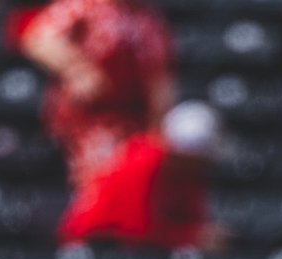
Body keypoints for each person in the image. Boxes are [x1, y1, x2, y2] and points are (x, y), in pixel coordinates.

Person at [20, 0, 175, 188]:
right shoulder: (86, 5)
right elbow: (40, 38)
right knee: (102, 184)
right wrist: (77, 69)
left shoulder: (150, 20)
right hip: (89, 119)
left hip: (134, 123)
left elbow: (160, 81)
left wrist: (158, 132)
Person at [58, 101, 224, 252]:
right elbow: (133, 227)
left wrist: (199, 233)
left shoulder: (189, 171)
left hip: (137, 249)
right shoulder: (144, 161)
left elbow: (191, 215)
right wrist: (190, 237)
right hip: (95, 244)